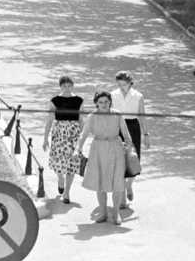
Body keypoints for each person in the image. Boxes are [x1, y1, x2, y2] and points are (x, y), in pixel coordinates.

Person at [75, 91, 135, 226]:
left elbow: (126, 134)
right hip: (98, 150)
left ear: (110, 102)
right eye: (101, 102)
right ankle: (102, 212)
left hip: (116, 148)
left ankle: (116, 213)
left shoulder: (117, 114)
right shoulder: (92, 117)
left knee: (118, 182)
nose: (104, 104)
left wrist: (129, 148)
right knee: (99, 182)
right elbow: (83, 135)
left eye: (106, 102)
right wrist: (77, 149)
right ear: (96, 103)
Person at [42, 76, 84, 203]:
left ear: (73, 86)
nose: (67, 88)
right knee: (58, 160)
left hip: (73, 133)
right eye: (64, 86)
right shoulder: (55, 100)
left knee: (72, 163)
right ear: (60, 87)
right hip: (59, 133)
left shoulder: (79, 100)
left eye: (69, 86)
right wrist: (45, 138)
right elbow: (49, 120)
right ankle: (60, 178)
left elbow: (82, 119)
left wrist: (82, 137)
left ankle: (67, 193)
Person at [110, 71, 148, 207]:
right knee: (118, 162)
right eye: (119, 84)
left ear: (130, 83)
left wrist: (146, 134)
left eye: (124, 84)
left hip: (133, 127)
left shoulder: (138, 96)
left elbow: (142, 116)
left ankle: (129, 185)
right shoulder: (113, 95)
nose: (121, 87)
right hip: (117, 127)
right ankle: (122, 199)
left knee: (133, 160)